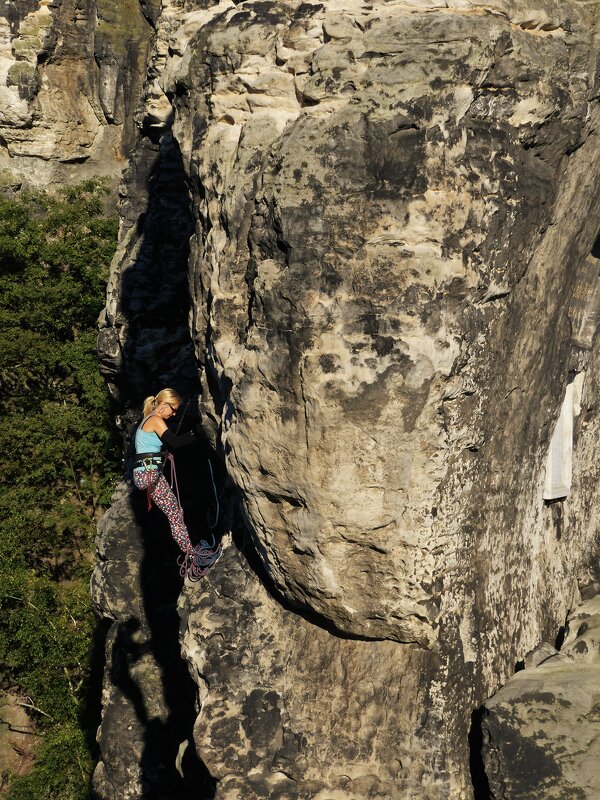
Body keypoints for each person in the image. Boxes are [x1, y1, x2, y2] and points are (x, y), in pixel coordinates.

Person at [132, 388, 221, 580]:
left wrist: (162, 453)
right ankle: (194, 554)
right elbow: (176, 442)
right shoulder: (155, 419)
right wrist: (198, 433)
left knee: (175, 512)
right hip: (148, 473)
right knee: (175, 512)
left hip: (145, 474)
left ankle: (190, 551)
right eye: (173, 409)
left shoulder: (146, 420)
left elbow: (158, 445)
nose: (174, 414)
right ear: (164, 405)